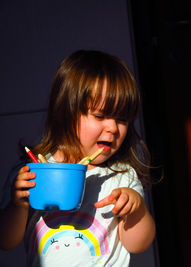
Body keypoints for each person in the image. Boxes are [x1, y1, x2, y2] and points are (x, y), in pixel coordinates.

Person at [0, 50, 155, 266]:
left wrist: (136, 210)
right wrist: (19, 205)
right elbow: (6, 241)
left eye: (122, 119)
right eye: (100, 116)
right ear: (67, 113)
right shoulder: (33, 170)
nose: (112, 128)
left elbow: (138, 244)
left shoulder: (122, 177)